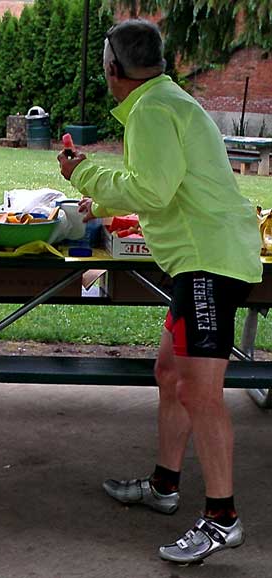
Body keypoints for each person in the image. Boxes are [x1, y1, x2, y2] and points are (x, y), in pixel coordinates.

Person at [57, 19, 262, 565]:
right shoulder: (167, 99)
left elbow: (152, 187)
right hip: (206, 258)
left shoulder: (150, 110)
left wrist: (86, 176)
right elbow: (167, 184)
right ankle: (165, 485)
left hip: (207, 265)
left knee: (201, 392)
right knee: (171, 375)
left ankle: (222, 520)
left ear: (112, 69)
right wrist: (101, 201)